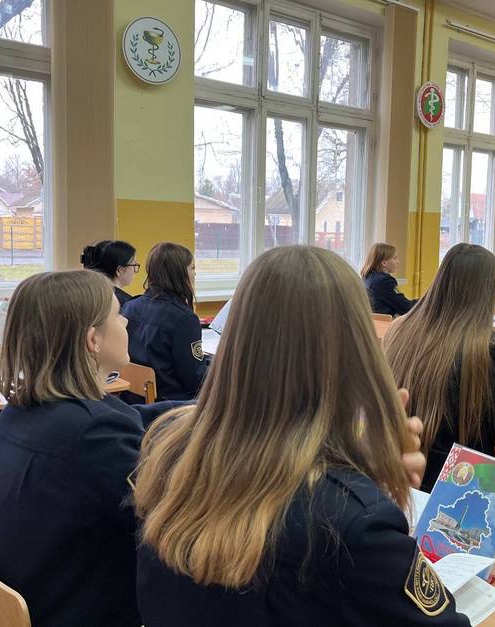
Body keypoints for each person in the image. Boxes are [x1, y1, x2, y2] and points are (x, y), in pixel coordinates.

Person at [133, 245, 471, 626]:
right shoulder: (351, 523)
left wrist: (361, 482)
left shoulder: (168, 452)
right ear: (355, 349)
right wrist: (380, 498)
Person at [0, 270, 152, 627]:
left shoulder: (25, 409)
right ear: (92, 339)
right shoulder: (94, 432)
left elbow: (120, 416)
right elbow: (161, 519)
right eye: (118, 314)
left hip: (29, 598)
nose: (126, 322)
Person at [384, 243, 495, 493]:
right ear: (489, 293)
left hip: (399, 482)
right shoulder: (493, 349)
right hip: (462, 490)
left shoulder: (399, 329)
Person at [121, 242, 206, 400]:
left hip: (135, 400)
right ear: (179, 274)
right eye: (192, 268)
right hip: (173, 403)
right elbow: (195, 380)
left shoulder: (129, 306)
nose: (195, 274)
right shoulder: (184, 319)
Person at [361, 242, 416, 316]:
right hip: (387, 321)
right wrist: (424, 302)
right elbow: (405, 307)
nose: (398, 262)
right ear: (384, 263)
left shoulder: (366, 276)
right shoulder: (384, 281)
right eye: (395, 258)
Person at [80, 240, 140, 307]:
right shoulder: (127, 304)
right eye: (134, 265)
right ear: (120, 270)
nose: (135, 271)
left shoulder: (85, 294)